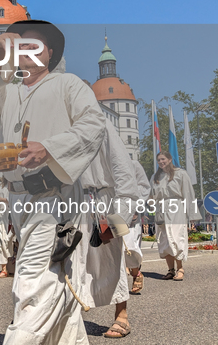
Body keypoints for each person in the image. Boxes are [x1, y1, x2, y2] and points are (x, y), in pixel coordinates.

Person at [0, 20, 106, 344]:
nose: (27, 52)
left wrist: (48, 148)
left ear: (49, 53)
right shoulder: (10, 93)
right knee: (59, 284)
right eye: (22, 46)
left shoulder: (68, 85)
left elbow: (95, 125)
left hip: (55, 195)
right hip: (20, 200)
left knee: (31, 285)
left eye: (34, 46)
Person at [78, 119, 139, 339]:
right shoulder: (61, 127)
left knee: (112, 258)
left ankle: (121, 315)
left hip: (105, 198)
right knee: (72, 261)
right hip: (74, 201)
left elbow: (124, 172)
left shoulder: (102, 125)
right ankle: (67, 315)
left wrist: (120, 217)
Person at [150, 151, 200, 281]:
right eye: (159, 160)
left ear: (170, 159)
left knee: (177, 238)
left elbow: (188, 194)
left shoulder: (180, 174)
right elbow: (151, 195)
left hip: (176, 209)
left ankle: (180, 268)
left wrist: (192, 214)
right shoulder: (155, 177)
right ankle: (170, 270)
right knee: (164, 241)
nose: (161, 162)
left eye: (163, 159)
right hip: (161, 209)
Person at [124, 160, 151, 293]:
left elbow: (144, 187)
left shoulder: (133, 164)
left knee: (129, 246)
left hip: (130, 207)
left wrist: (135, 208)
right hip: (109, 207)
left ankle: (136, 273)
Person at [0, 178, 14, 278]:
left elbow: (14, 203)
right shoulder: (0, 189)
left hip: (10, 219)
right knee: (0, 241)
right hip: (1, 219)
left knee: (9, 242)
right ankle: (4, 269)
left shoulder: (13, 188)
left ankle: (10, 268)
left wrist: (2, 200)